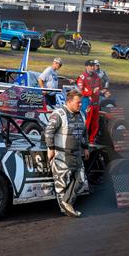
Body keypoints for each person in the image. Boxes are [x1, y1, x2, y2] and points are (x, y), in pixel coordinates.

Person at [45, 89, 89, 217]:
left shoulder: (82, 115)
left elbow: (84, 133)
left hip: (76, 154)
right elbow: (49, 132)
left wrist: (86, 148)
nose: (80, 105)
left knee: (80, 179)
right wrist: (51, 148)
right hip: (61, 155)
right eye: (78, 103)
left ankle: (67, 203)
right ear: (69, 102)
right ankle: (66, 209)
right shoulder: (59, 114)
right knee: (61, 185)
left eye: (81, 103)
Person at [77, 60, 102, 145]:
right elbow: (80, 91)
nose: (92, 67)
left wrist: (102, 91)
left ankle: (91, 140)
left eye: (93, 66)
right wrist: (91, 92)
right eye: (90, 66)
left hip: (96, 103)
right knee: (86, 122)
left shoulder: (96, 76)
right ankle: (83, 140)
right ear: (86, 67)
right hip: (87, 102)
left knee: (95, 123)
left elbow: (100, 86)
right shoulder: (82, 77)